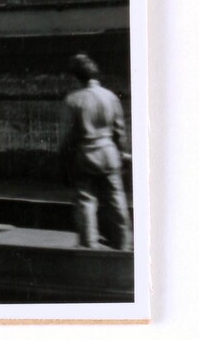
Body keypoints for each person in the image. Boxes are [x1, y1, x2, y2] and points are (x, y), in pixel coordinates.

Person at [60, 53, 131, 250]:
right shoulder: (110, 97)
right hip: (109, 154)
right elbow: (120, 131)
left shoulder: (73, 100)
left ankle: (90, 246)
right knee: (116, 199)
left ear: (76, 77)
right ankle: (123, 243)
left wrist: (63, 160)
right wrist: (121, 153)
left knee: (86, 201)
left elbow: (68, 136)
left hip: (85, 157)